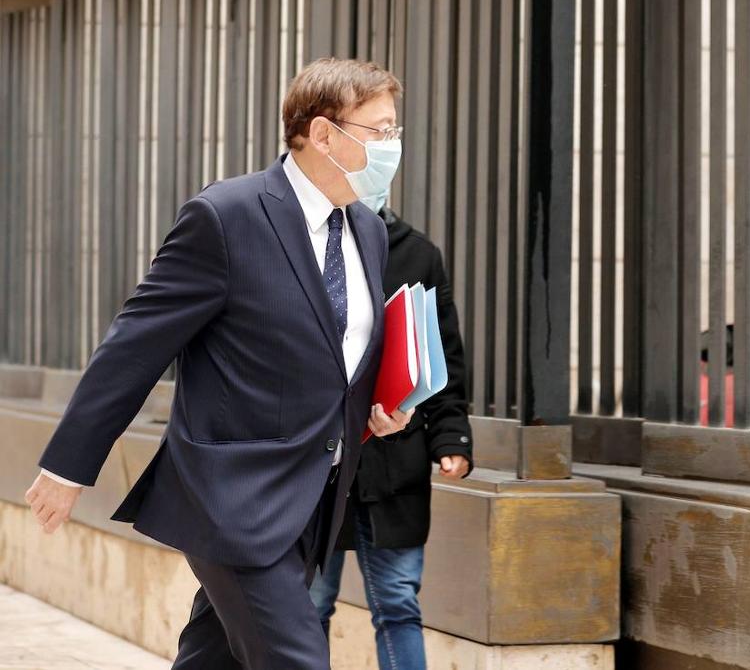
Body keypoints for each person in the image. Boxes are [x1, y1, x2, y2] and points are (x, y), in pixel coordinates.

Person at [24, 57, 413, 670]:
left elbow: (336, 355)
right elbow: (135, 345)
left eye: (396, 130)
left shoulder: (366, 229)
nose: (394, 146)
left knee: (213, 659)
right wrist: (69, 465)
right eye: (380, 130)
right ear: (323, 133)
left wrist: (375, 411)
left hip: (313, 495)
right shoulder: (227, 216)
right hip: (231, 496)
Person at [309, 204, 472, 670]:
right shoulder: (303, 242)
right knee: (309, 604)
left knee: (398, 603)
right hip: (320, 463)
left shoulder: (417, 253)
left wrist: (451, 439)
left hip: (395, 462)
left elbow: (443, 359)